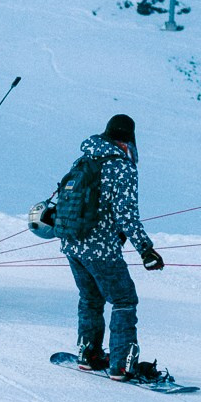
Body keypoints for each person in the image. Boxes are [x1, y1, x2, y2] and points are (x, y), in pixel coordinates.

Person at [56, 114, 165, 379]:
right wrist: (146, 249)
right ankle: (122, 365)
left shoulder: (83, 159)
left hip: (72, 244)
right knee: (124, 299)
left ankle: (88, 354)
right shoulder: (121, 166)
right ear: (128, 141)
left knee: (91, 298)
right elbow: (126, 214)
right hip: (100, 248)